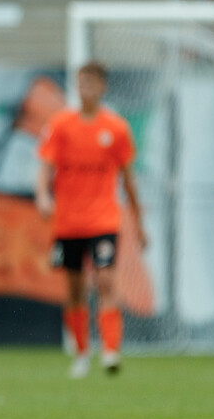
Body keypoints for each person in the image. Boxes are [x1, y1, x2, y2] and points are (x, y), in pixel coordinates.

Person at [35, 60, 147, 378]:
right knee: (74, 288)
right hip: (69, 221)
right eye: (81, 83)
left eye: (92, 83)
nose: (86, 89)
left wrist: (138, 223)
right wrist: (43, 196)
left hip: (103, 220)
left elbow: (129, 180)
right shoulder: (60, 125)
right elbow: (44, 166)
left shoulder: (115, 129)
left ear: (103, 87)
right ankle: (81, 353)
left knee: (107, 280)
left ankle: (110, 351)